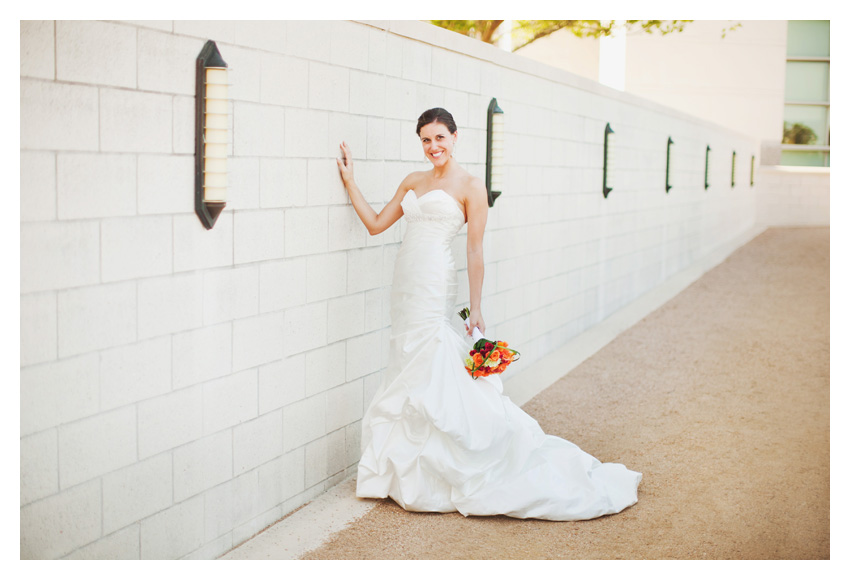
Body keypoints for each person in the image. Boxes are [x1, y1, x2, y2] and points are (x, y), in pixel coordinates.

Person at [336, 107, 641, 520]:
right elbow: (375, 225)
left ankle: (449, 462)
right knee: (407, 359)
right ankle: (408, 465)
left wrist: (476, 305)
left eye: (440, 138)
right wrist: (351, 182)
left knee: (432, 352)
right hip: (405, 278)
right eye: (425, 139)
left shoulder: (471, 186)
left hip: (434, 278)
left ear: (455, 137)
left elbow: (475, 249)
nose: (433, 147)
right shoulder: (412, 180)